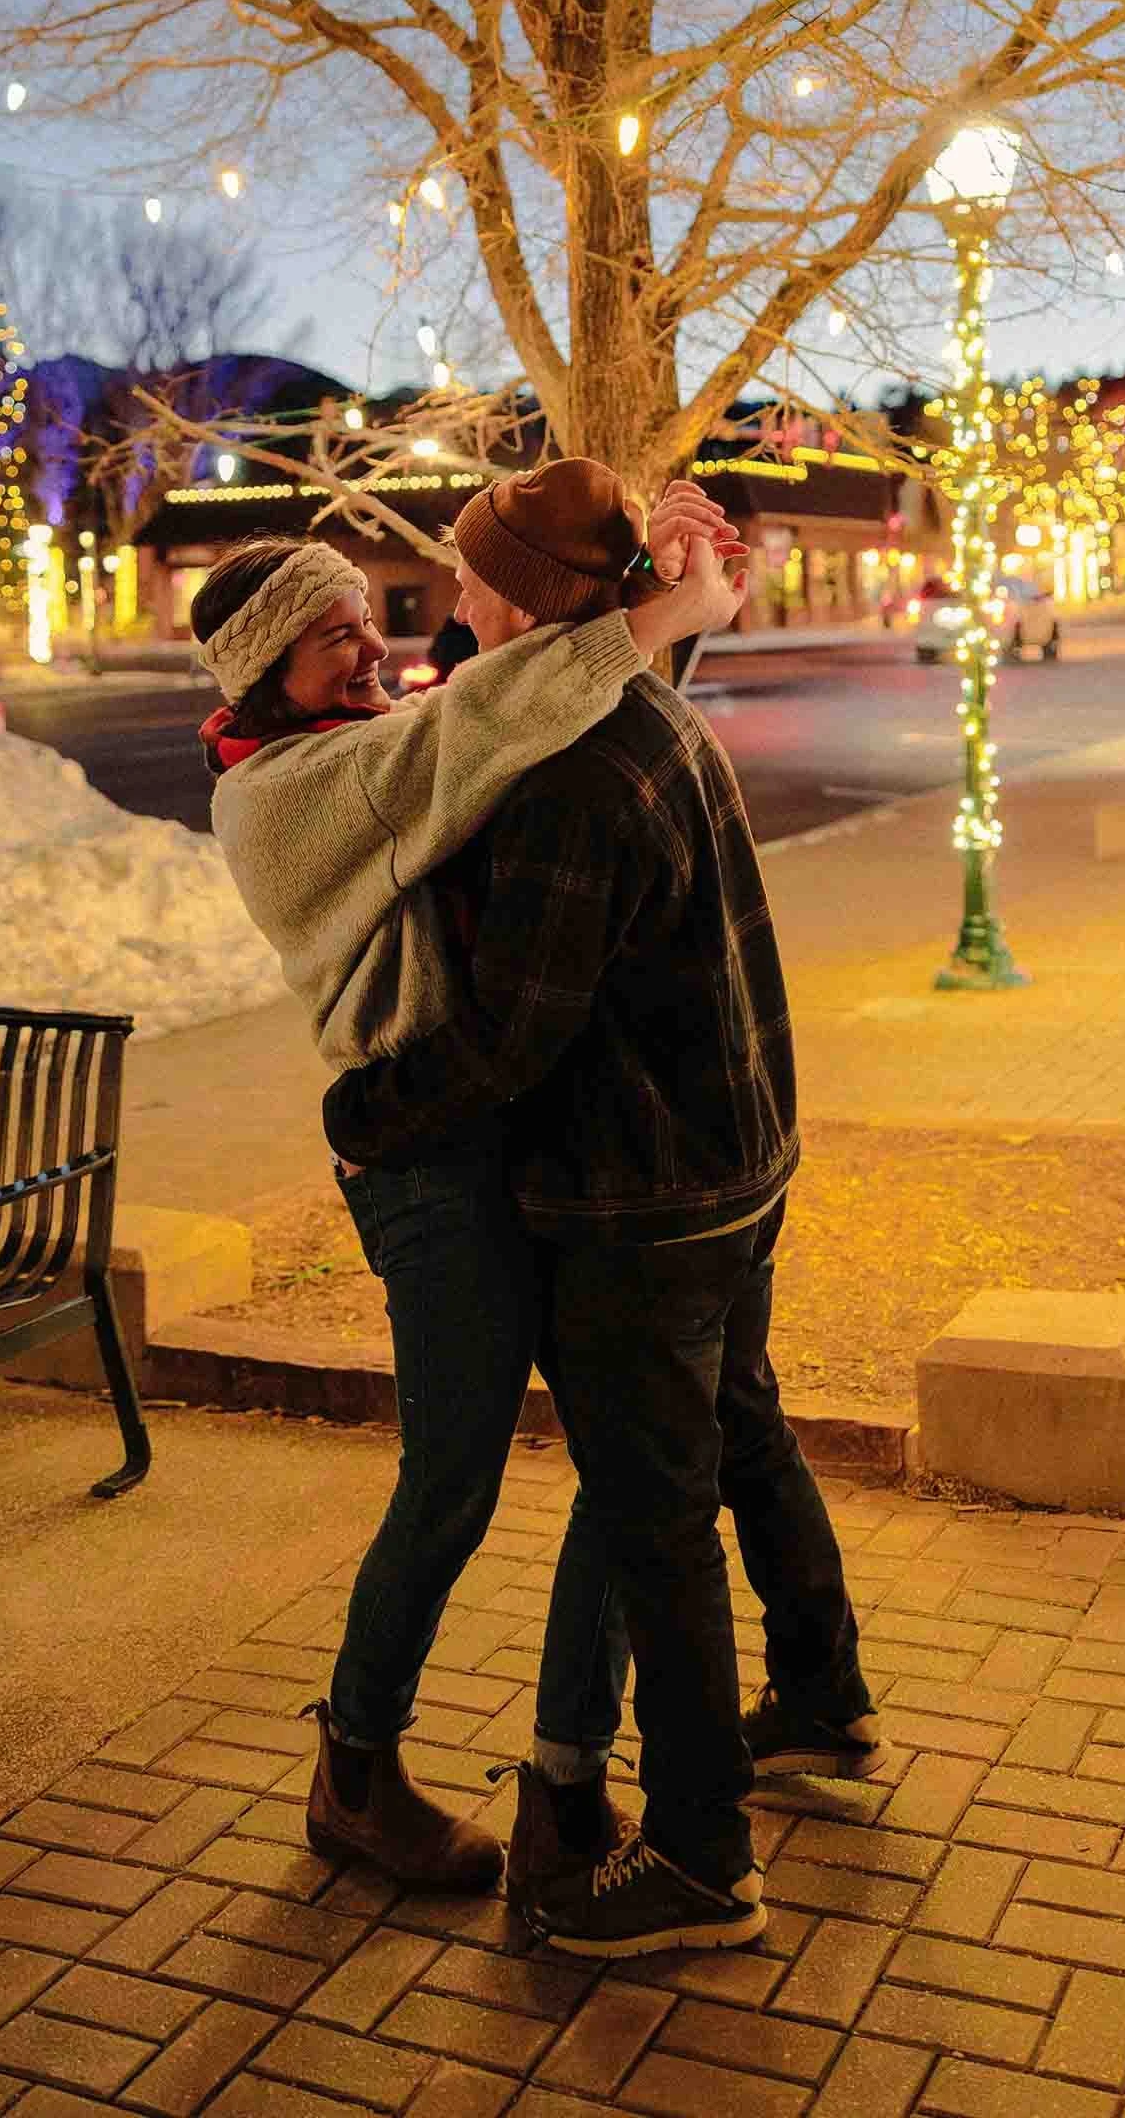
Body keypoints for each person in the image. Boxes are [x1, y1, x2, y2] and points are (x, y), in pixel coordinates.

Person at [323, 475, 879, 1963]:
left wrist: (362, 1115)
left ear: (520, 602)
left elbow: (512, 1037)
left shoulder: (573, 775)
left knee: (656, 1529)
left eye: (469, 583)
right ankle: (824, 1694)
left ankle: (701, 1864)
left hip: (648, 1205)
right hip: (739, 1168)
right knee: (736, 1428)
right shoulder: (639, 714)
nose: (448, 608)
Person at [194, 472, 742, 1899]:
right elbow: (484, 717)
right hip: (423, 1158)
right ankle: (354, 1770)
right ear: (267, 672)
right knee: (450, 1481)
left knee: (620, 1458)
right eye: (332, 641)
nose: (371, 651)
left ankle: (571, 1770)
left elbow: (524, 686)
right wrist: (662, 609)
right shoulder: (283, 794)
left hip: (508, 1131)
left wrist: (633, 556)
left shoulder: (372, 732)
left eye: (369, 618)